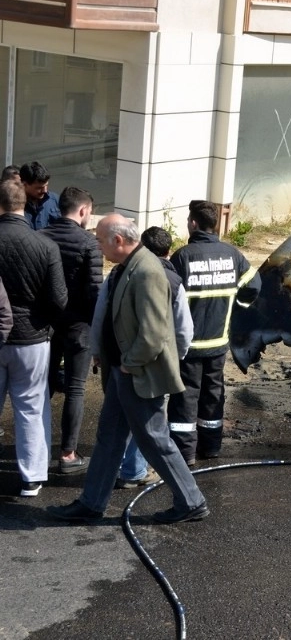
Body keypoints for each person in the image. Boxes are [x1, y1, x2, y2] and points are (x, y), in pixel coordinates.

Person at [47, 214, 209, 524]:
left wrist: (128, 364)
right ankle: (91, 503)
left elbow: (154, 333)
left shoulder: (147, 271)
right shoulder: (127, 267)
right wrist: (104, 352)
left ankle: (191, 501)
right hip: (124, 374)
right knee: (109, 438)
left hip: (138, 375)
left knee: (154, 439)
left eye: (100, 240)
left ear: (118, 241)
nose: (97, 245)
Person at [168, 201, 260, 465]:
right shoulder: (232, 255)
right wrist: (236, 305)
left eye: (188, 220)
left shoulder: (183, 256)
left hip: (189, 345)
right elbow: (254, 284)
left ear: (194, 223)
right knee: (213, 395)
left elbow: (169, 293)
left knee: (185, 396)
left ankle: (184, 453)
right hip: (218, 344)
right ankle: (211, 447)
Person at [0, 179, 68, 497]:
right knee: (30, 407)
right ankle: (32, 478)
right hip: (32, 338)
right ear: (25, 205)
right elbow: (58, 299)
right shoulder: (44, 245)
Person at [113, 226, 193, 489]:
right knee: (150, 422)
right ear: (169, 252)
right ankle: (134, 470)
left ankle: (124, 467)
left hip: (124, 358)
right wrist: (176, 358)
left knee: (124, 418)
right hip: (154, 363)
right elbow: (184, 328)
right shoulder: (172, 280)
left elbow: (104, 312)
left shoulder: (122, 272)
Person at [41, 187, 103, 475]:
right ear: (82, 211)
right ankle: (67, 454)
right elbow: (94, 292)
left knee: (41, 388)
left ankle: (37, 449)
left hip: (45, 324)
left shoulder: (41, 237)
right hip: (79, 325)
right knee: (75, 389)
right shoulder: (89, 244)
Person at [19, 162, 61, 230]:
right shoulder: (14, 204)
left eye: (46, 186)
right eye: (39, 188)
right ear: (24, 184)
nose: (45, 190)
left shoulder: (55, 200)